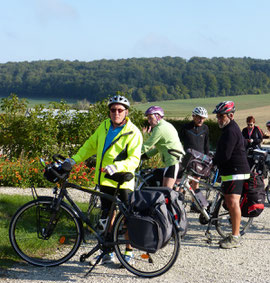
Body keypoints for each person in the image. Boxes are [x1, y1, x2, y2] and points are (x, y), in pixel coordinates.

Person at [65, 95, 143, 264]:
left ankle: (129, 252)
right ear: (109, 111)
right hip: (105, 180)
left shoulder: (133, 132)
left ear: (126, 112)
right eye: (113, 110)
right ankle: (108, 252)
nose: (116, 113)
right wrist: (74, 160)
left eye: (120, 110)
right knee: (107, 215)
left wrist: (117, 166)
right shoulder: (104, 126)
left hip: (122, 181)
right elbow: (90, 146)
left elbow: (135, 159)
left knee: (127, 217)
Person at [212, 101, 250, 249]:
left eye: (222, 116)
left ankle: (235, 237)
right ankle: (233, 234)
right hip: (231, 172)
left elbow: (225, 155)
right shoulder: (229, 129)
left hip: (236, 171)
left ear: (231, 115)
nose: (219, 119)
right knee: (229, 202)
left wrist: (213, 162)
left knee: (233, 203)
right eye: (218, 116)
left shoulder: (231, 130)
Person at [141, 106, 185, 189]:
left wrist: (131, 154)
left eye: (150, 118)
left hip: (173, 162)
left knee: (166, 190)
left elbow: (146, 145)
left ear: (157, 116)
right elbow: (158, 148)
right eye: (148, 118)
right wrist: (145, 156)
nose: (148, 121)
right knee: (175, 191)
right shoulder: (166, 125)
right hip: (179, 160)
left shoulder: (159, 129)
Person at [179, 107, 210, 211]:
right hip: (187, 159)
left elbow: (206, 145)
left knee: (195, 182)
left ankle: (195, 204)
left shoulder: (205, 128)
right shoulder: (185, 127)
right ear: (194, 116)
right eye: (199, 117)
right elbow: (178, 143)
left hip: (200, 160)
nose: (201, 120)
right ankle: (179, 202)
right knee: (182, 182)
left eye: (203, 118)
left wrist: (207, 159)